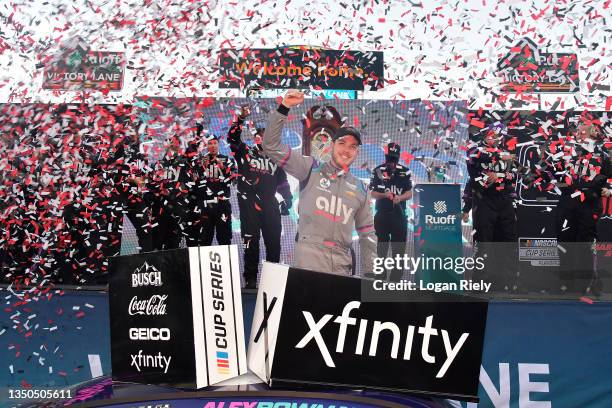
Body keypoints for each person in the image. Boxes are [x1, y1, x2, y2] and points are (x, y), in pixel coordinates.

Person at [262, 90, 377, 275]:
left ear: (357, 153)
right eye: (342, 143)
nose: (347, 150)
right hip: (308, 264)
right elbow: (270, 146)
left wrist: (371, 274)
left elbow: (368, 235)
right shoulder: (310, 168)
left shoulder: (361, 189)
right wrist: (284, 107)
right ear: (331, 145)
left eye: (353, 147)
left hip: (342, 268)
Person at [227, 106, 293, 289]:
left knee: (274, 242)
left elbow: (282, 182)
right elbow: (232, 139)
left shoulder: (275, 158)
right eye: (260, 135)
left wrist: (288, 200)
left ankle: (272, 279)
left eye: (265, 136)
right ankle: (250, 279)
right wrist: (240, 119)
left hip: (270, 204)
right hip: (249, 204)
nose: (261, 138)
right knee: (250, 241)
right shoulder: (245, 152)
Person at [543, 121, 610, 294]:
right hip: (567, 203)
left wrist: (609, 189)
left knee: (585, 244)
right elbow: (548, 170)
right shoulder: (566, 151)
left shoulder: (601, 152)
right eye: (577, 132)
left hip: (589, 203)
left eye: (583, 132)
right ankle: (566, 285)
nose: (579, 135)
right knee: (565, 242)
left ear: (592, 133)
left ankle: (587, 285)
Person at [462, 130, 518, 291]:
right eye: (490, 136)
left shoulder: (506, 153)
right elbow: (473, 174)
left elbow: (514, 175)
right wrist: (466, 207)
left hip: (504, 201)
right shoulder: (475, 150)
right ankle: (481, 284)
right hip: (484, 201)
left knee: (507, 240)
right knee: (484, 243)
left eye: (496, 136)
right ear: (485, 137)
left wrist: (499, 173)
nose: (493, 139)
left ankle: (508, 283)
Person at [369, 142, 412, 281]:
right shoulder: (378, 170)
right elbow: (372, 193)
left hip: (399, 216)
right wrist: (384, 195)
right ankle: (380, 279)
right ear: (385, 156)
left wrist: (400, 198)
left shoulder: (405, 171)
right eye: (390, 158)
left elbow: (409, 193)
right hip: (382, 215)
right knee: (381, 250)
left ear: (398, 157)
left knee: (398, 252)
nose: (392, 162)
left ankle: (395, 281)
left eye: (394, 159)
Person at [191, 136, 236, 246]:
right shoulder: (199, 161)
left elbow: (234, 181)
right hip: (205, 206)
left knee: (224, 238)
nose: (213, 146)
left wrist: (224, 168)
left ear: (218, 144)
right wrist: (202, 168)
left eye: (215, 143)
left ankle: (226, 263)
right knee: (204, 239)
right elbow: (193, 183)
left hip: (222, 205)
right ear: (206, 146)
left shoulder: (227, 160)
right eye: (210, 143)